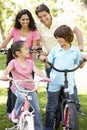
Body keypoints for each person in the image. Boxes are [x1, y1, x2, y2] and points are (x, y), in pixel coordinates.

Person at [35, 3, 84, 115]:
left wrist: (81, 46)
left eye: (45, 15)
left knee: (70, 83)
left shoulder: (60, 21)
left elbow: (77, 30)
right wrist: (40, 52)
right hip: (51, 59)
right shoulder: (38, 25)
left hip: (65, 56)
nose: (43, 18)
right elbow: (37, 42)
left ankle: (76, 108)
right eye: (40, 17)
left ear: (49, 13)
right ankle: (56, 111)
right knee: (52, 85)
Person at [39, 25, 86, 130]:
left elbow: (81, 66)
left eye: (60, 37)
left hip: (69, 82)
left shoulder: (75, 50)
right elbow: (49, 63)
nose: (58, 39)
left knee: (71, 103)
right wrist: (44, 59)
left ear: (68, 36)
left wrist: (84, 60)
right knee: (51, 107)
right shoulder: (55, 50)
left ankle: (71, 121)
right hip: (54, 81)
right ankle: (48, 127)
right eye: (57, 37)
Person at [0, 40, 51, 130]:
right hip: (18, 86)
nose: (29, 50)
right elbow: (6, 71)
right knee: (22, 96)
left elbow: (37, 71)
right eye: (26, 49)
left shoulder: (30, 62)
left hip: (30, 87)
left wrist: (44, 77)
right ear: (18, 53)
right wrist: (4, 76)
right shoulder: (13, 63)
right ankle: (15, 113)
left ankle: (38, 128)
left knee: (36, 109)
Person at [0, 9, 40, 117]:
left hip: (27, 64)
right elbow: (5, 42)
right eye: (23, 19)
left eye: (27, 19)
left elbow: (35, 46)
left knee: (29, 87)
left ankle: (28, 110)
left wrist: (35, 48)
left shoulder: (34, 31)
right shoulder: (14, 30)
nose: (25, 21)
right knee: (13, 86)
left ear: (30, 20)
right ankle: (11, 110)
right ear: (19, 20)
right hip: (15, 63)